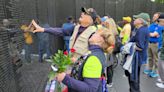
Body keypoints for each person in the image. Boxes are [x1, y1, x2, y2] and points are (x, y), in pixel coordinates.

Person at [31, 7, 100, 61]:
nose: (82, 13)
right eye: (83, 12)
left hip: (82, 68)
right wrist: (43, 29)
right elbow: (61, 31)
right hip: (72, 65)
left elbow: (94, 55)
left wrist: (80, 61)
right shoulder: (76, 27)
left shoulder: (94, 33)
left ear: (90, 19)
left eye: (85, 13)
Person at [125, 13, 150, 92]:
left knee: (133, 77)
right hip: (137, 57)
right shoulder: (139, 29)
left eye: (136, 18)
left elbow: (140, 47)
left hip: (136, 58)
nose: (134, 19)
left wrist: (128, 46)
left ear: (141, 21)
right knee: (133, 77)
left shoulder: (142, 30)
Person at [144, 12, 161, 77]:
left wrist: (151, 34)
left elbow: (153, 34)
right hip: (150, 43)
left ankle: (155, 71)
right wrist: (151, 34)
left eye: (155, 16)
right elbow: (148, 33)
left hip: (155, 44)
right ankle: (150, 69)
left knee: (156, 59)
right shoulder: (152, 25)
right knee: (150, 57)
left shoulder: (160, 26)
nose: (153, 17)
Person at [156, 13, 164, 88]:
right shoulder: (161, 28)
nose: (159, 23)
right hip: (161, 49)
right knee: (160, 66)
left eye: (160, 21)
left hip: (162, 51)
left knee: (162, 66)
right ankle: (162, 80)